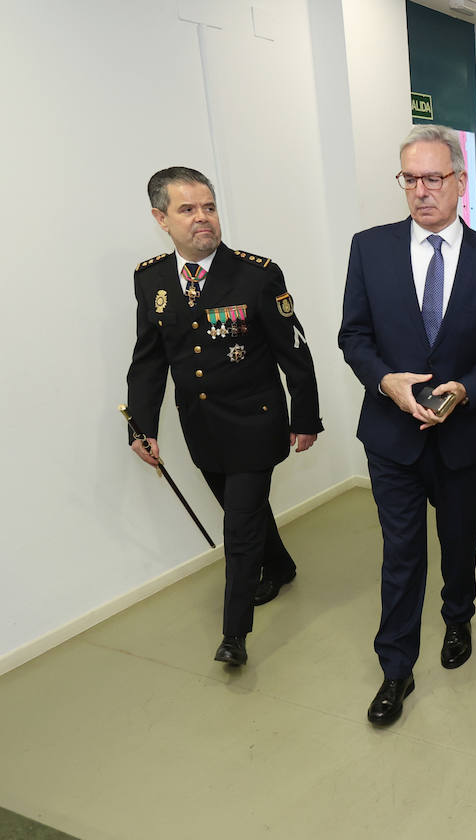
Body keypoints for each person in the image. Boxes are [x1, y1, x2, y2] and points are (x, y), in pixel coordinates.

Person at [339, 125, 476, 725]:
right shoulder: (369, 249)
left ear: (460, 182)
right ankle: (396, 667)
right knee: (401, 552)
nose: (421, 192)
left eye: (434, 179)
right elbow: (354, 335)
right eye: (410, 179)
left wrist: (469, 388)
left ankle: (458, 617)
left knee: (459, 542)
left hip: (461, 437)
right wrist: (385, 381)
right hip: (391, 438)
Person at [126, 166, 323, 668]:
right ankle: (280, 565)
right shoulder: (151, 279)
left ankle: (234, 635)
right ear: (160, 218)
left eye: (209, 206)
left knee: (237, 528)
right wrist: (141, 426)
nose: (203, 218)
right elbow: (148, 359)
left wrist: (306, 417)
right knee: (247, 512)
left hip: (257, 423)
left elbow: (294, 351)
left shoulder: (256, 274)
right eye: (187, 209)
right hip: (201, 426)